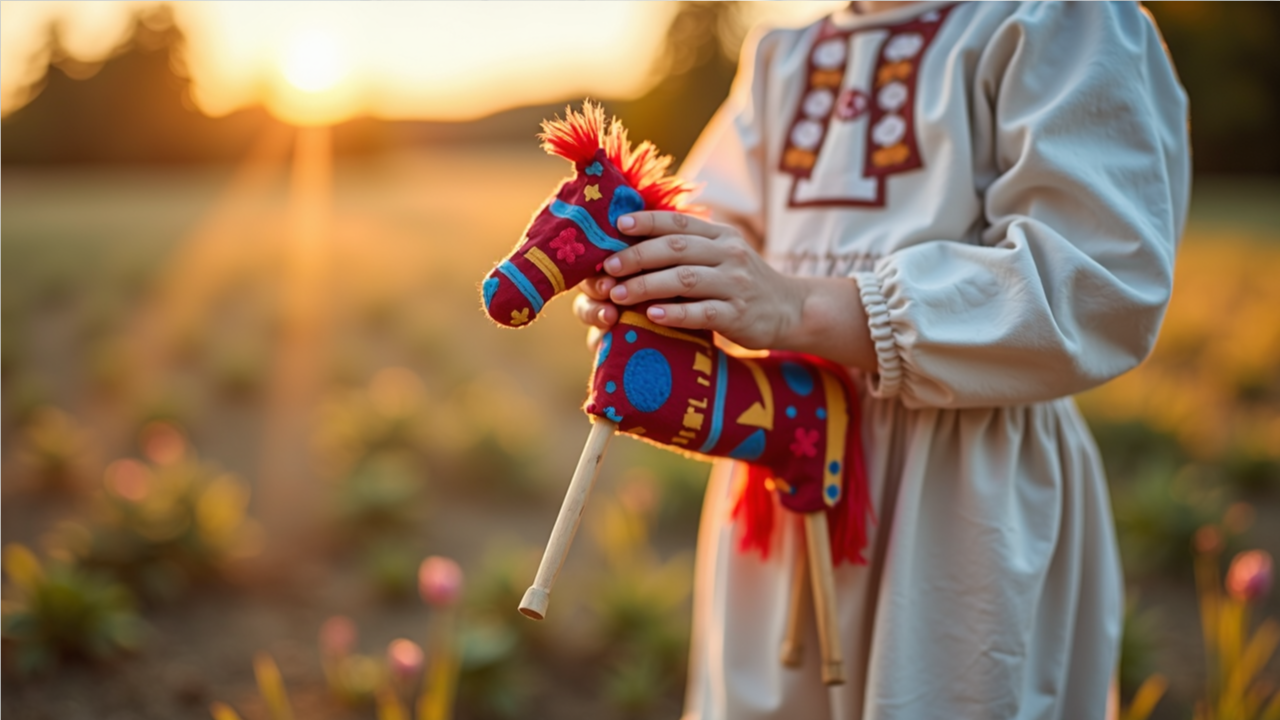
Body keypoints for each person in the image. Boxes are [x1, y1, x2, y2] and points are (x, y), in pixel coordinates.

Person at [573, 1, 1189, 718]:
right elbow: (717, 227)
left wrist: (800, 308)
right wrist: (656, 293)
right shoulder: (785, 58)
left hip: (963, 495)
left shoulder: (1061, 23)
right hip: (786, 455)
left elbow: (1094, 281)